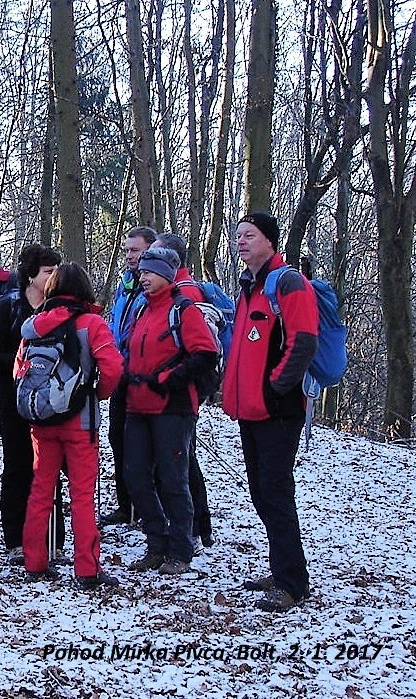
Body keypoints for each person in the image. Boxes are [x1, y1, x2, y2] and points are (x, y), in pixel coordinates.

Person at [222, 212, 317, 612]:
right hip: (251, 410)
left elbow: (304, 341)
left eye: (250, 235)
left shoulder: (288, 283)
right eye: (238, 235)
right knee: (262, 493)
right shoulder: (250, 285)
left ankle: (292, 583)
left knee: (275, 494)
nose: (241, 241)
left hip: (278, 411)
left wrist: (276, 387)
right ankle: (283, 570)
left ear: (269, 241)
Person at [18, 263, 123, 588]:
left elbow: (20, 371)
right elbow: (113, 368)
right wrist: (97, 395)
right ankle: (87, 570)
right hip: (81, 422)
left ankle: (34, 562)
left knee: (40, 491)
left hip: (42, 419)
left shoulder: (34, 326)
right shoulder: (91, 324)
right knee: (82, 496)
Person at [123, 247, 217, 576]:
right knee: (135, 477)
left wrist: (168, 380)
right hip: (137, 405)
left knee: (173, 480)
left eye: (150, 272)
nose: (143, 277)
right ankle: (156, 543)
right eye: (142, 272)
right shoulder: (142, 309)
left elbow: (206, 354)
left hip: (172, 408)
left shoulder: (184, 310)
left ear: (166, 274)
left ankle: (180, 550)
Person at [0, 243, 61, 566]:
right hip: (14, 399)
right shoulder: (9, 307)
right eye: (48, 271)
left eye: (56, 271)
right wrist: (27, 363)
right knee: (17, 466)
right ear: (31, 275)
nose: (54, 277)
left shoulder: (59, 308)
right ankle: (15, 539)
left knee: (49, 467)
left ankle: (52, 538)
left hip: (51, 400)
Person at [150, 233, 214, 549]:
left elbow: (201, 351)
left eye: (152, 255)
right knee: (180, 462)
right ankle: (193, 527)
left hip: (178, 397)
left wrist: (172, 379)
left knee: (182, 465)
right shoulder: (156, 292)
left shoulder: (185, 294)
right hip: (163, 397)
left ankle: (195, 529)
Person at [101, 226, 157, 526]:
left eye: (135, 250)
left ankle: (149, 508)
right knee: (118, 438)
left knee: (146, 446)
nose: (129, 256)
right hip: (120, 372)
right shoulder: (125, 285)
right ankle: (126, 505)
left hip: (144, 376)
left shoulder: (156, 285)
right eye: (126, 250)